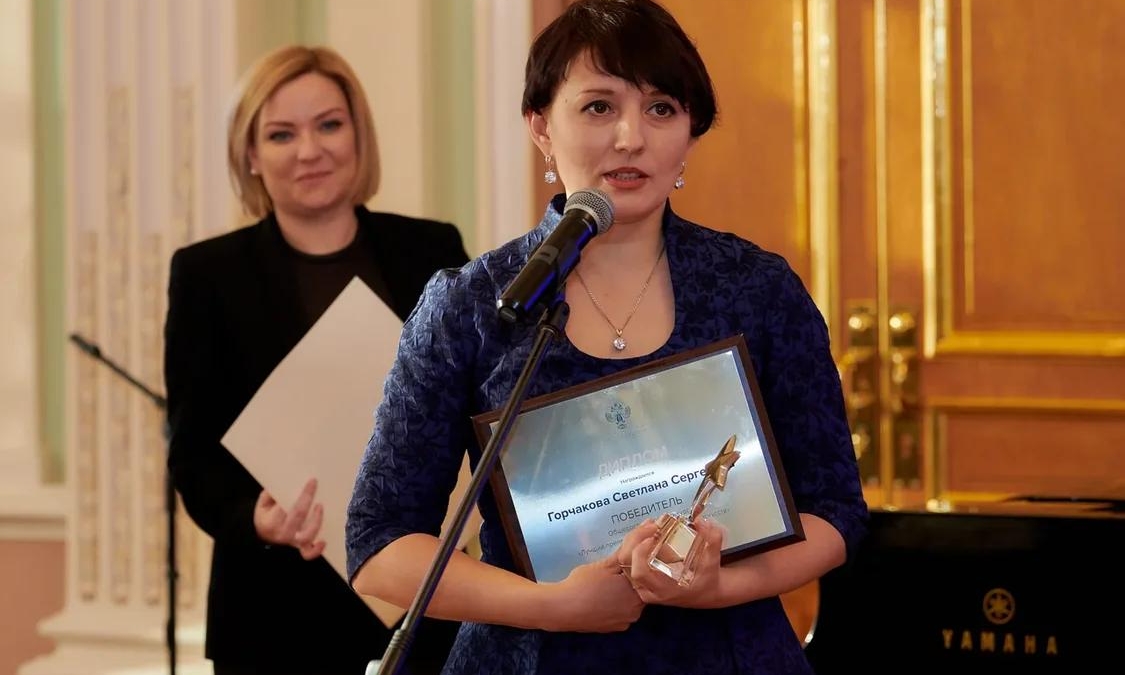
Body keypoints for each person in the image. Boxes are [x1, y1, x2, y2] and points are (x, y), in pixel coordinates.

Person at [345, 1, 868, 673]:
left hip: (727, 654)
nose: (630, 137)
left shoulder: (756, 289)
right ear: (540, 126)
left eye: (660, 109)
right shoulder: (471, 306)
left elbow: (835, 510)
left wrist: (716, 586)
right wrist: (554, 605)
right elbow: (379, 545)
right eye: (598, 107)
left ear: (689, 132)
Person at [164, 44, 470, 675]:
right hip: (278, 611)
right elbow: (192, 455)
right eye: (281, 134)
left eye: (329, 125)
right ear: (251, 154)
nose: (309, 150)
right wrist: (254, 518)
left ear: (358, 135)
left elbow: (478, 404)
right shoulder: (208, 275)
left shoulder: (430, 250)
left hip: (425, 601)